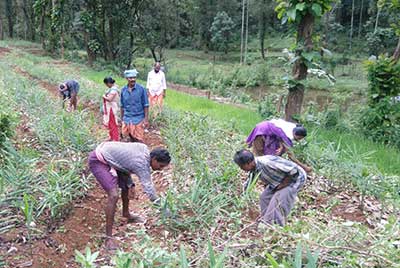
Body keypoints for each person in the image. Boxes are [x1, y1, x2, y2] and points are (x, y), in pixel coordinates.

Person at [88, 141, 171, 249]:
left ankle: (126, 214)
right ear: (154, 159)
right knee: (113, 195)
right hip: (99, 160)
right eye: (160, 166)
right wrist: (164, 209)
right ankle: (108, 238)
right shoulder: (142, 164)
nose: (160, 169)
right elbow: (149, 191)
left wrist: (130, 183)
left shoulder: (144, 148)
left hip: (112, 158)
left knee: (128, 187)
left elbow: (125, 163)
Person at [234, 149, 306, 226]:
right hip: (277, 181)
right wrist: (242, 193)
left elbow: (294, 171)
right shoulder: (254, 167)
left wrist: (282, 185)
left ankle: (275, 227)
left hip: (294, 179)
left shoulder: (267, 163)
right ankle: (266, 221)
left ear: (249, 163)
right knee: (264, 198)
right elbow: (250, 181)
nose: (241, 168)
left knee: (277, 202)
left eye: (241, 166)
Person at [246, 120, 312, 172]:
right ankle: (254, 170)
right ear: (295, 134)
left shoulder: (292, 127)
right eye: (299, 138)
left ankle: (262, 169)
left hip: (268, 132)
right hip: (262, 131)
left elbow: (279, 134)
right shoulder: (288, 136)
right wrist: (304, 167)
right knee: (259, 154)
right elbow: (291, 156)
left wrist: (281, 146)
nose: (299, 140)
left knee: (268, 154)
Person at [120, 69, 149, 142]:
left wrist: (146, 120)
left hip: (138, 118)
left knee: (139, 140)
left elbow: (146, 105)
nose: (133, 79)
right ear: (127, 78)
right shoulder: (123, 90)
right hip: (127, 118)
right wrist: (122, 119)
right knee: (126, 139)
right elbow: (122, 106)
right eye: (130, 78)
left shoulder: (141, 89)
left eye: (134, 77)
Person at [102, 77, 119, 141]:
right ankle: (112, 137)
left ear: (108, 83)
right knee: (110, 124)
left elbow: (110, 99)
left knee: (113, 123)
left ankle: (115, 138)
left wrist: (104, 96)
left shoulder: (113, 90)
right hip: (110, 108)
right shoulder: (112, 89)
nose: (106, 86)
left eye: (106, 84)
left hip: (111, 108)